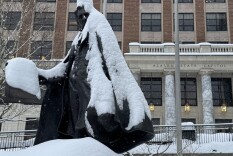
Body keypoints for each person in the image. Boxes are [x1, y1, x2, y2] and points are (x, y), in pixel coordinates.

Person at [32, 0, 154, 153]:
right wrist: (42, 74)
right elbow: (64, 67)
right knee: (76, 130)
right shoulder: (78, 38)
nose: (82, 19)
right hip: (73, 93)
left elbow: (112, 57)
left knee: (95, 126)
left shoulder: (98, 23)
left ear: (90, 13)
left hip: (91, 90)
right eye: (79, 16)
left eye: (84, 15)